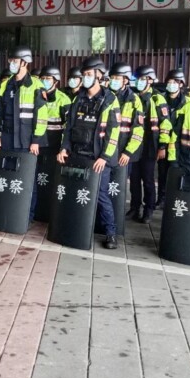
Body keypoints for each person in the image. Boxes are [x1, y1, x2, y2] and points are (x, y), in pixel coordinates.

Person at [58, 57, 121, 249]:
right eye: (83, 75)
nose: (84, 78)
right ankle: (75, 227)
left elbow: (113, 133)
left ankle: (111, 233)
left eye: (88, 75)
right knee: (76, 191)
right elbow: (69, 127)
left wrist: (104, 157)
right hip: (78, 154)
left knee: (100, 194)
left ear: (99, 76)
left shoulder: (110, 100)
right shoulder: (79, 98)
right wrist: (64, 147)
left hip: (97, 158)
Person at [0, 46, 49, 220]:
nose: (12, 64)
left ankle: (27, 215)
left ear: (25, 62)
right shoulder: (5, 84)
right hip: (6, 138)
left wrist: (36, 140)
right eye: (11, 61)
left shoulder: (36, 86)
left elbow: (41, 117)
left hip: (27, 140)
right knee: (7, 175)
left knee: (27, 177)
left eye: (15, 61)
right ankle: (7, 212)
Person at [130, 65, 170, 223]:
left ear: (150, 80)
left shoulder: (157, 98)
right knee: (134, 179)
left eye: (142, 79)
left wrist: (162, 146)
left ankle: (148, 210)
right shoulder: (133, 96)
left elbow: (165, 124)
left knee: (147, 179)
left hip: (150, 146)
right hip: (134, 145)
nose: (139, 82)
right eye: (137, 79)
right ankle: (134, 207)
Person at [157, 69, 187, 207]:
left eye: (175, 82)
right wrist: (162, 145)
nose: (171, 85)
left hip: (179, 146)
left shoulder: (188, 102)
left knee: (177, 173)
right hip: (162, 143)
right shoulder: (160, 99)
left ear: (181, 84)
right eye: (169, 82)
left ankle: (174, 200)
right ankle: (161, 198)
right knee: (162, 173)